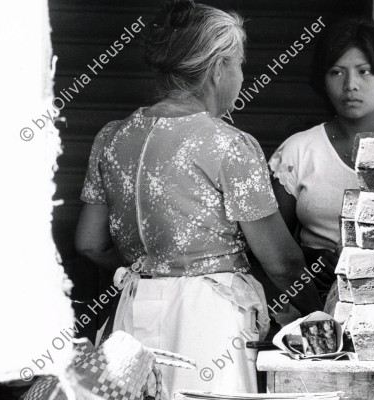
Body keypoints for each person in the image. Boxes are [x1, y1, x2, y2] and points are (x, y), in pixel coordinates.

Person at [74, 0, 322, 396]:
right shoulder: (230, 145)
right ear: (218, 67)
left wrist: (147, 269)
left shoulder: (111, 137)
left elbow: (89, 242)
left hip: (132, 316)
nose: (242, 74)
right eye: (239, 63)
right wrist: (321, 314)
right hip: (208, 321)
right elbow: (283, 262)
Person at [268, 18, 374, 306]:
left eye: (365, 72)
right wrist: (309, 261)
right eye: (336, 72)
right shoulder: (298, 151)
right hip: (317, 307)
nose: (350, 85)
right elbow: (272, 249)